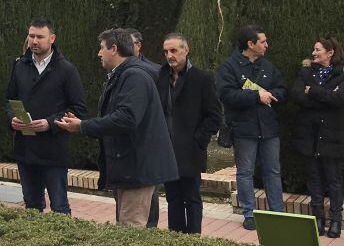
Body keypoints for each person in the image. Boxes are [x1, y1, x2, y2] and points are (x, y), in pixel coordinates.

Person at [58, 29, 178, 228]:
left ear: (114, 49)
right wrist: (83, 124)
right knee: (126, 228)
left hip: (137, 169)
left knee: (131, 230)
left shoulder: (134, 76)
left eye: (102, 48)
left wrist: (83, 126)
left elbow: (127, 118)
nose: (99, 53)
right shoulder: (122, 75)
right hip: (129, 168)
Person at [5, 18, 87, 214]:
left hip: (54, 150)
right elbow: (10, 100)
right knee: (32, 206)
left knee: (59, 206)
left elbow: (79, 108)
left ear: (52, 38)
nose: (34, 41)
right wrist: (12, 119)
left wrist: (50, 123)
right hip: (26, 149)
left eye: (40, 37)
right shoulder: (19, 66)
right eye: (31, 36)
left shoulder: (66, 69)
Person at [217, 25, 287, 231]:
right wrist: (256, 96)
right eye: (263, 41)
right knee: (245, 172)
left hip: (269, 128)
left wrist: (274, 95)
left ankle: (277, 212)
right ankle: (249, 213)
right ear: (250, 44)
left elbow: (282, 90)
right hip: (244, 129)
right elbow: (226, 94)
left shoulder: (268, 66)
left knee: (273, 171)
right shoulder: (229, 67)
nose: (267, 45)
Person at [291, 37, 344, 238]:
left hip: (332, 136)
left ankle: (336, 220)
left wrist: (314, 91)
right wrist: (326, 96)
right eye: (313, 49)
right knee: (315, 178)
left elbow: (342, 99)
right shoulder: (305, 72)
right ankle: (318, 218)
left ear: (330, 53)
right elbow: (297, 96)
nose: (313, 53)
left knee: (333, 178)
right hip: (310, 135)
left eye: (318, 50)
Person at [157, 33, 223, 233]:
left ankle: (193, 240)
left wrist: (198, 140)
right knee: (173, 198)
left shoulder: (202, 78)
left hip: (190, 150)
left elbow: (214, 116)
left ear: (186, 50)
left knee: (192, 198)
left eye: (174, 50)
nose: (170, 55)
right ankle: (176, 239)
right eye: (166, 51)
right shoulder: (160, 76)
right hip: (167, 150)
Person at [125, 27, 166, 228]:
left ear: (138, 46)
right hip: (125, 148)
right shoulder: (116, 71)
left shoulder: (154, 71)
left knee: (149, 192)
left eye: (128, 43)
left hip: (147, 142)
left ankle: (151, 229)